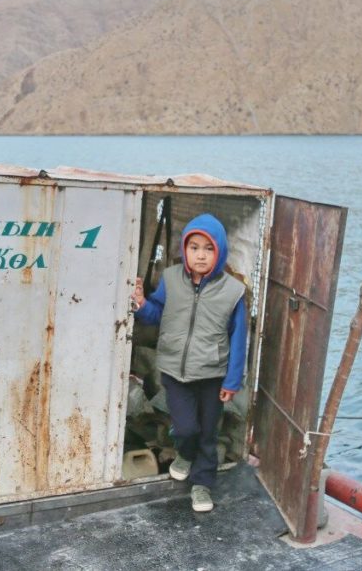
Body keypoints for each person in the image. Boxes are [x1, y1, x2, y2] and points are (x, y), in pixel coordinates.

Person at [131, 213, 247, 513]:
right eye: (194, 247)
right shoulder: (171, 279)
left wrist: (232, 382)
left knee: (208, 433)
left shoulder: (233, 292)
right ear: (185, 250)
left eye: (208, 249)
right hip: (175, 372)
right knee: (186, 428)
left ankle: (201, 485)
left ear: (219, 253)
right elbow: (158, 313)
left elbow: (238, 340)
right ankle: (184, 453)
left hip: (212, 375)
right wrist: (142, 305)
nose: (200, 255)